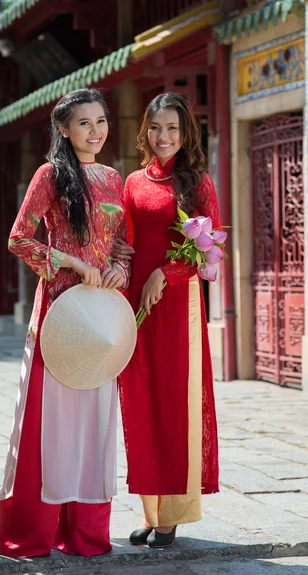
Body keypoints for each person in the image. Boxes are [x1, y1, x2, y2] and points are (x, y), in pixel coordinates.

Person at [0, 89, 129, 558]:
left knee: (93, 423)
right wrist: (69, 260)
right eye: (84, 123)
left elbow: (121, 245)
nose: (95, 131)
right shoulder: (50, 175)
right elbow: (18, 239)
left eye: (100, 121)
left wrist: (120, 270)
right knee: (52, 424)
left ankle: (86, 534)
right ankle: (35, 530)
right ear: (64, 130)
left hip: (102, 317)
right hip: (59, 312)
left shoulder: (114, 178)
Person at [112, 92, 220, 548]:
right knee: (140, 403)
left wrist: (166, 273)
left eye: (173, 129)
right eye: (156, 128)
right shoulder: (132, 182)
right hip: (136, 306)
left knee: (175, 403)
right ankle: (151, 511)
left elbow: (208, 246)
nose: (163, 137)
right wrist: (120, 261)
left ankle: (174, 512)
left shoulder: (198, 183)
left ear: (185, 133)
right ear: (145, 131)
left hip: (177, 306)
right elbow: (124, 240)